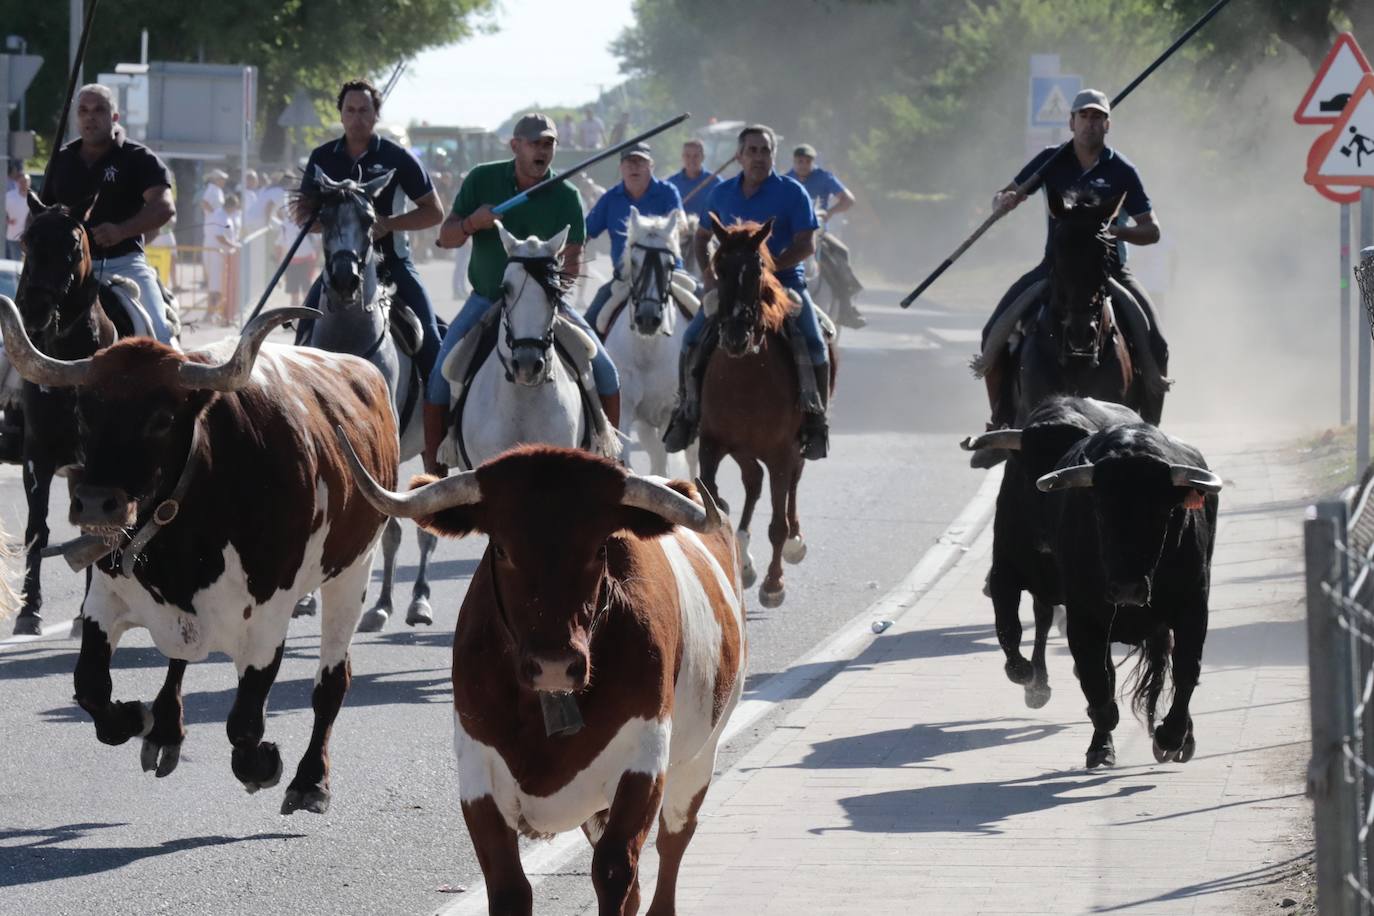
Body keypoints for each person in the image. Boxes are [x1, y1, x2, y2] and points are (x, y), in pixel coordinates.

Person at [429, 112, 619, 476]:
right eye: (535, 143)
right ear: (515, 146)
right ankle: (434, 475)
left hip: (547, 306)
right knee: (440, 374)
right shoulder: (481, 179)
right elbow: (444, 238)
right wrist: (472, 223)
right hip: (486, 298)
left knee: (607, 372)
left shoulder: (566, 195)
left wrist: (545, 288)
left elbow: (573, 262)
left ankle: (608, 467)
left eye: (548, 143)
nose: (542, 151)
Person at [981, 88, 1167, 433]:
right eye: (1083, 116)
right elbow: (1004, 193)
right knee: (993, 334)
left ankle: (1150, 431)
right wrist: (1003, 201)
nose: (1090, 124)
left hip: (1109, 270)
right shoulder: (1052, 160)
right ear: (1071, 122)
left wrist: (1116, 232)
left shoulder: (1122, 170)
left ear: (1107, 125)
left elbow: (1152, 230)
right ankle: (1001, 421)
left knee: (1157, 341)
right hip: (1054, 268)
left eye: (1097, 117)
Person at [663, 123, 832, 460]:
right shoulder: (721, 193)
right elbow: (700, 238)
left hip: (785, 285)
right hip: (729, 288)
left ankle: (815, 421)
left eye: (765, 150)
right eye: (751, 150)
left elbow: (807, 243)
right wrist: (710, 273)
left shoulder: (792, 192)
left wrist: (771, 269)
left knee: (814, 342)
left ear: (773, 155)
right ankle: (687, 412)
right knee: (691, 338)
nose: (758, 157)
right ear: (739, 156)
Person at [296, 78, 447, 382]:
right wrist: (328, 220)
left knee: (431, 340)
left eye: (364, 110)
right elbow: (302, 216)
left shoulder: (398, 157)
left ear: (376, 114)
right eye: (350, 110)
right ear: (340, 115)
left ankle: (441, 423)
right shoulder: (322, 157)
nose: (357, 118)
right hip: (339, 266)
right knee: (302, 336)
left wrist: (389, 224)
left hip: (393, 264)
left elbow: (435, 212)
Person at [41, 84, 177, 344]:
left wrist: (121, 230)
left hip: (125, 264)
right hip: (68, 269)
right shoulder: (61, 160)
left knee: (161, 336)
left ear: (114, 117)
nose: (90, 116)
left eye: (99, 110)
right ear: (77, 118)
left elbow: (163, 207)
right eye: (83, 110)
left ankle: (177, 378)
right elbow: (42, 214)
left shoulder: (139, 158)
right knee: (22, 333)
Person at [582, 142, 684, 332]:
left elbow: (681, 226)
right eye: (629, 162)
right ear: (621, 168)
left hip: (669, 275)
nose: (634, 167)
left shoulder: (668, 192)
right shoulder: (610, 199)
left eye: (640, 162)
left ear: (651, 166)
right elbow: (585, 232)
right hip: (625, 278)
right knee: (588, 325)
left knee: (705, 316)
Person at [786, 143, 865, 329]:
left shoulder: (824, 177)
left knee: (842, 253)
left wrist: (829, 213)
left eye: (807, 161)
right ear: (794, 161)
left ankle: (847, 306)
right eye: (800, 161)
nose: (803, 165)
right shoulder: (785, 180)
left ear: (813, 162)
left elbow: (848, 200)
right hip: (791, 235)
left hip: (818, 233)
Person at [666, 138, 723, 225]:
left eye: (696, 156)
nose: (691, 160)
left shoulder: (715, 182)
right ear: (682, 157)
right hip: (680, 232)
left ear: (703, 157)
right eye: (687, 156)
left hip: (707, 233)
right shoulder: (670, 184)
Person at [203, 192, 241, 323]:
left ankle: (213, 312)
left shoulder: (223, 215)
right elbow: (220, 237)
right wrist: (235, 245)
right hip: (215, 255)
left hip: (219, 254)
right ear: (232, 206)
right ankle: (210, 313)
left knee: (218, 285)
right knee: (215, 285)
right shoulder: (220, 217)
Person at [5, 170, 29, 261]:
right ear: (17, 183)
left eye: (25, 181)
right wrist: (6, 219)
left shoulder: (33, 198)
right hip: (13, 236)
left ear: (29, 182)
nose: (23, 184)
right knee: (16, 261)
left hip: (29, 236)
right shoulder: (9, 196)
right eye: (21, 182)